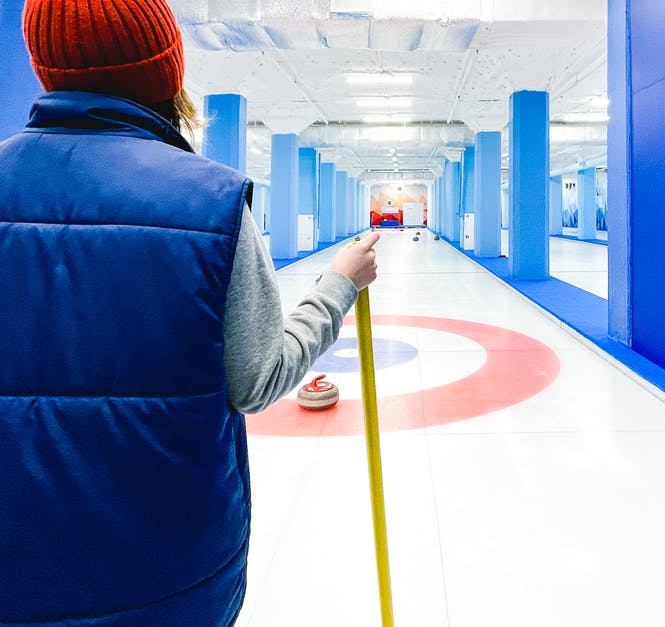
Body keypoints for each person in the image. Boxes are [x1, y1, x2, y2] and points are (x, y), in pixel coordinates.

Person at [0, 0, 380, 624]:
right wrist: (338, 286)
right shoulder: (211, 202)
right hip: (172, 569)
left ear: (45, 70)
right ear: (167, 70)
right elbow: (256, 379)